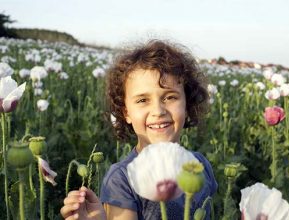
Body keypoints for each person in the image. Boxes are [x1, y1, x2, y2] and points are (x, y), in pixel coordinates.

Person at [60, 40, 218, 220]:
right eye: (143, 100)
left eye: (170, 97)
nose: (158, 111)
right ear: (125, 112)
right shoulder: (122, 180)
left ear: (187, 104)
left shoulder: (201, 166)